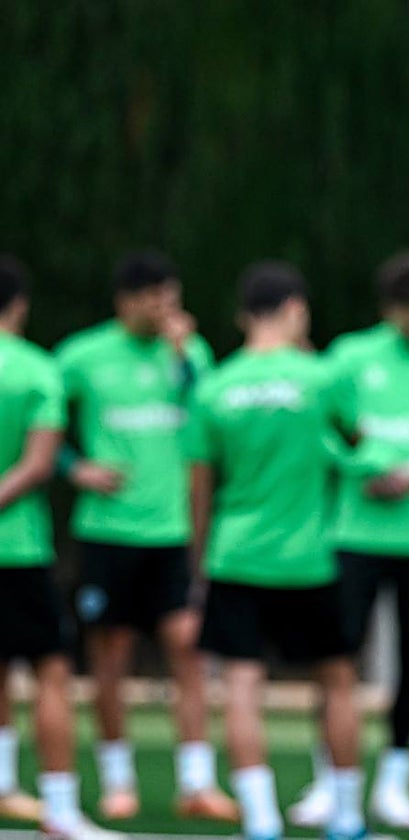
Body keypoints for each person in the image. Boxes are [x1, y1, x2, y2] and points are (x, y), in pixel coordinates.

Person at [287, 250, 409, 831]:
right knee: (336, 659)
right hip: (357, 535)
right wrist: (359, 468)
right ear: (390, 310)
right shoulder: (351, 356)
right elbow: (320, 428)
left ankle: (396, 781)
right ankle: (329, 777)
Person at [187, 261, 366, 840]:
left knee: (242, 686)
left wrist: (198, 564)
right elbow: (356, 440)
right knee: (336, 683)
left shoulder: (214, 386)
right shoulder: (321, 377)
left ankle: (261, 822)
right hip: (310, 556)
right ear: (296, 310)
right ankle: (345, 818)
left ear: (243, 316)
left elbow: (200, 486)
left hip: (236, 554)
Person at [53, 250, 235, 822]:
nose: (164, 308)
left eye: (170, 296)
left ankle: (197, 782)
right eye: (153, 298)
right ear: (126, 301)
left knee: (186, 646)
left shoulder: (191, 354)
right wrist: (72, 466)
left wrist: (185, 358)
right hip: (108, 532)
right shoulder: (82, 355)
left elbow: (211, 414)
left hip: (171, 533)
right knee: (111, 655)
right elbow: (39, 421)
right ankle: (117, 779)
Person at [0, 257, 127, 840]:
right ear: (19, 305)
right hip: (17, 549)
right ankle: (60, 808)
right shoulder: (33, 370)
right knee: (50, 670)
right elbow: (39, 463)